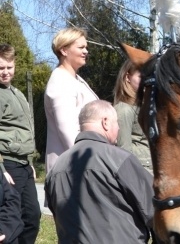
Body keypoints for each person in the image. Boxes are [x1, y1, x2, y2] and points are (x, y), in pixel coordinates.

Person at [44, 100, 153, 243]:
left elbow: (57, 215)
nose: (119, 128)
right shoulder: (120, 159)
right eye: (117, 123)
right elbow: (153, 209)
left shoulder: (56, 168)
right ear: (105, 122)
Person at [44, 27, 99, 173]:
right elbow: (68, 132)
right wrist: (91, 163)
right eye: (81, 47)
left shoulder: (74, 79)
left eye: (86, 47)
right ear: (64, 50)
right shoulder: (60, 81)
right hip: (71, 168)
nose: (86, 51)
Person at [0, 45, 39, 244]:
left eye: (9, 66)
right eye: (1, 68)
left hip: (23, 164)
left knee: (32, 216)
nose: (5, 72)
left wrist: (30, 161)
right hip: (8, 163)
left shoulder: (17, 93)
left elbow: (26, 130)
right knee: (12, 220)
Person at [113, 60, 151, 171]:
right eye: (141, 76)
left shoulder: (144, 106)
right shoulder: (124, 109)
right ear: (127, 77)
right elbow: (123, 153)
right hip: (142, 172)